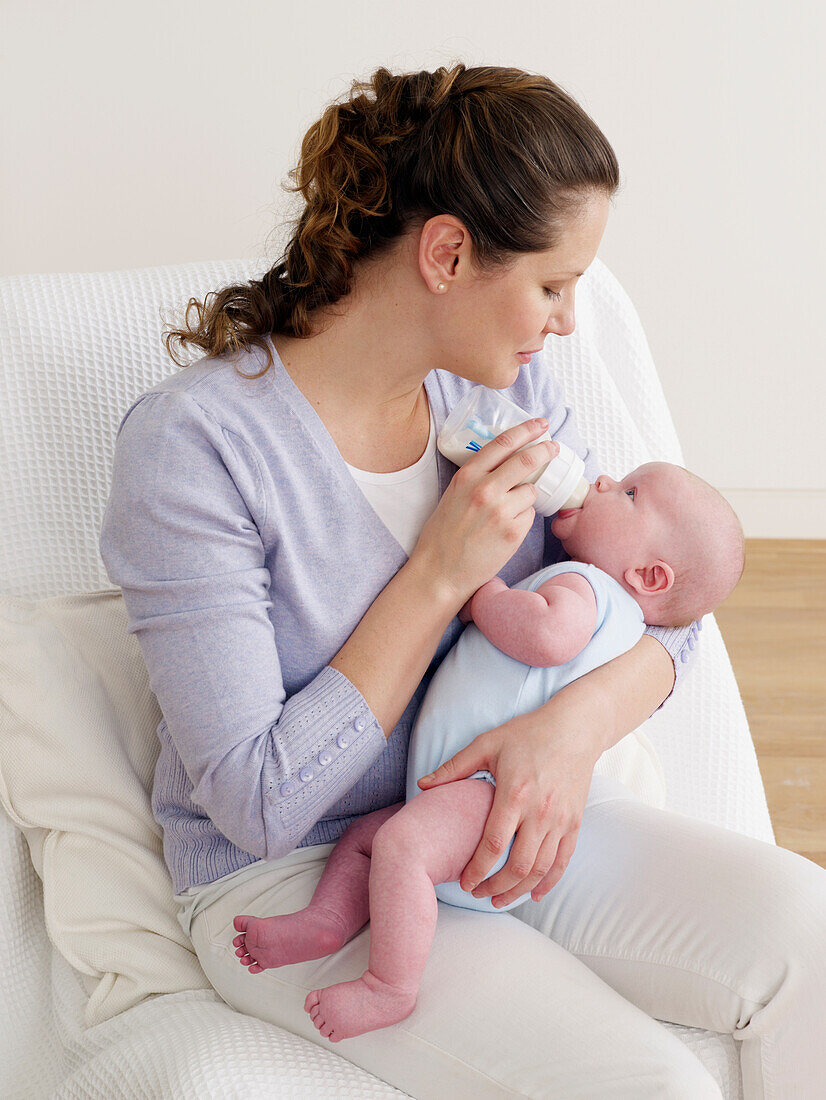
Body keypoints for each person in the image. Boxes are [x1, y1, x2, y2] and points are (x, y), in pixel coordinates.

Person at [99, 63, 826, 1099]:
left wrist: (566, 737)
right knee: (648, 1083)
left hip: (502, 814)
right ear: (447, 252)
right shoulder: (195, 450)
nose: (568, 323)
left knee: (813, 941)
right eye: (551, 284)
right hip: (306, 876)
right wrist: (439, 572)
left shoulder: (496, 383)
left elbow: (662, 609)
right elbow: (258, 802)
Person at [230, 461, 746, 1042]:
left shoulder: (587, 587)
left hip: (490, 794)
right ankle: (327, 922)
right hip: (470, 795)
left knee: (399, 845)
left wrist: (483, 596)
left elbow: (547, 636)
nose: (601, 480)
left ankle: (389, 987)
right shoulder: (615, 615)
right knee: (369, 837)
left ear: (650, 577)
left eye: (629, 493)